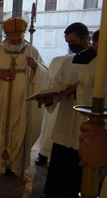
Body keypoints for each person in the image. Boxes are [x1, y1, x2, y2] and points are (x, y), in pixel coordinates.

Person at [0, 17, 49, 176]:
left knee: (19, 129)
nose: (18, 41)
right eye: (14, 39)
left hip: (22, 101)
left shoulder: (32, 51)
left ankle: (14, 165)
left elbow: (46, 74)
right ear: (7, 37)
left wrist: (36, 67)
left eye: (20, 38)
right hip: (1, 100)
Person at [37, 22, 97, 198]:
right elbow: (55, 85)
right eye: (68, 41)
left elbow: (100, 92)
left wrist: (76, 91)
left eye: (74, 40)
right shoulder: (68, 61)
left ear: (86, 38)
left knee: (78, 165)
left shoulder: (99, 62)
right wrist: (49, 97)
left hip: (83, 120)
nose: (71, 45)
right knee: (60, 160)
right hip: (65, 117)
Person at [35, 54, 68, 166]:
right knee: (50, 127)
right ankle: (44, 153)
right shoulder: (58, 60)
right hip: (57, 101)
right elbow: (49, 79)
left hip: (75, 104)